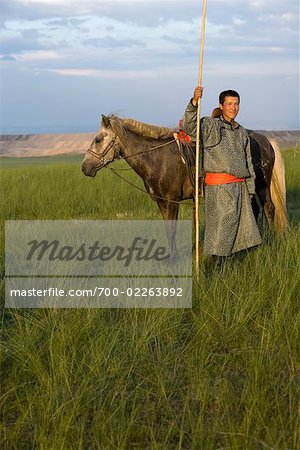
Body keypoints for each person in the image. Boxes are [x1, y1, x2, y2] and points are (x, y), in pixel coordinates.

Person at [181, 86, 262, 265]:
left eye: (236, 103)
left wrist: (250, 189)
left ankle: (231, 266)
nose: (233, 107)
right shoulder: (211, 125)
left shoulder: (241, 132)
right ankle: (216, 267)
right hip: (219, 189)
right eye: (229, 104)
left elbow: (248, 161)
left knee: (241, 231)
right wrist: (194, 102)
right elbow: (189, 127)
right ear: (221, 105)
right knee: (221, 230)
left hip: (240, 187)